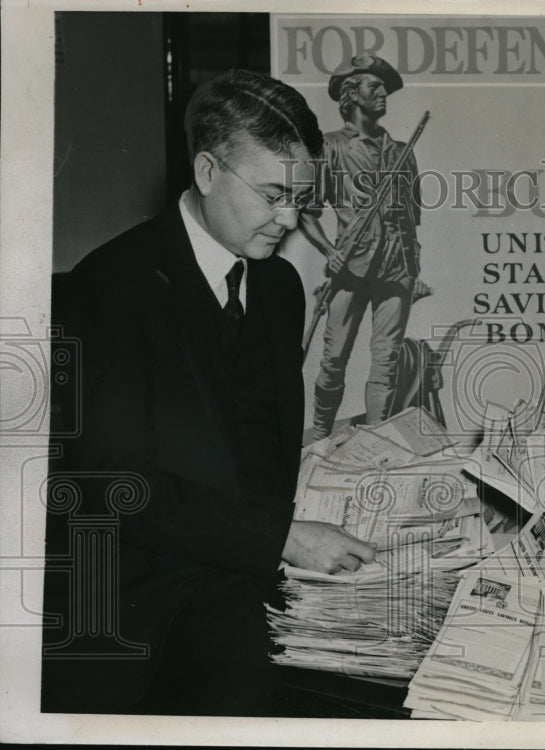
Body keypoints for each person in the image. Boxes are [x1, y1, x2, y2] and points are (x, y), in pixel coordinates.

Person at [42, 69, 376, 716]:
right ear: (205, 171)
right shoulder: (108, 288)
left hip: (253, 586)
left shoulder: (277, 286)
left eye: (302, 199)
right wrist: (281, 536)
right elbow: (115, 481)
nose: (290, 219)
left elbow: (256, 446)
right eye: (274, 194)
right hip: (142, 611)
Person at [298, 54, 425, 438]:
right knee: (334, 360)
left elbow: (412, 216)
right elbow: (305, 210)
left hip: (396, 270)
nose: (384, 92)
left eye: (384, 87)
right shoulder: (331, 146)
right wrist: (328, 251)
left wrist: (414, 269)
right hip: (351, 269)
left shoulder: (403, 151)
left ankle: (376, 444)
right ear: (352, 95)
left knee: (386, 362)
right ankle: (319, 439)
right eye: (375, 86)